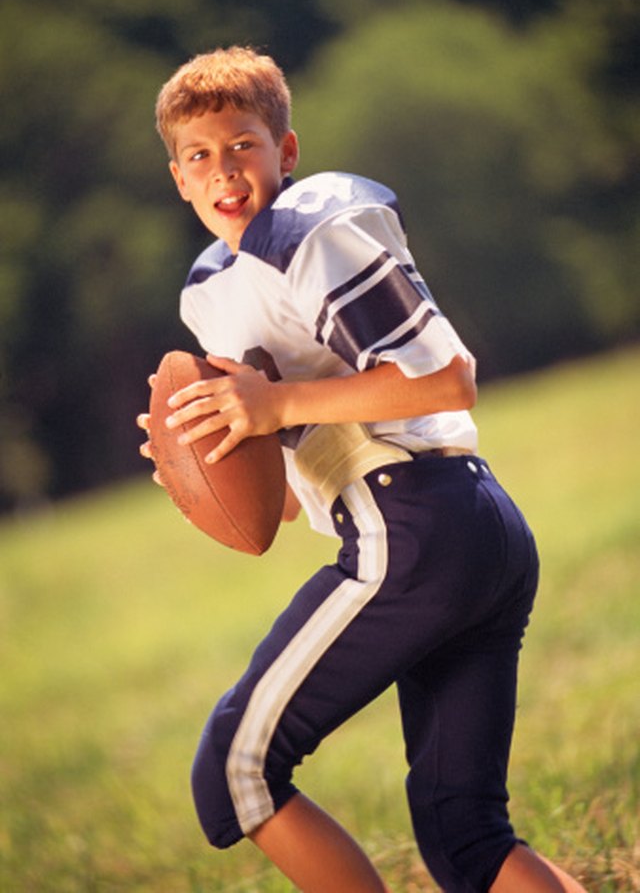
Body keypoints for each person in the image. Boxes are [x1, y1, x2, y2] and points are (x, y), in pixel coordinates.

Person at [138, 46, 586, 893]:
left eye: (242, 145)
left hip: (410, 524)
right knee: (468, 838)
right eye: (199, 156)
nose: (224, 171)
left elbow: (449, 376)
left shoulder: (309, 230)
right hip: (466, 526)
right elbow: (264, 517)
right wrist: (196, 461)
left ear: (287, 152)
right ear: (178, 179)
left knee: (236, 770)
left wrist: (273, 409)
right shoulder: (211, 291)